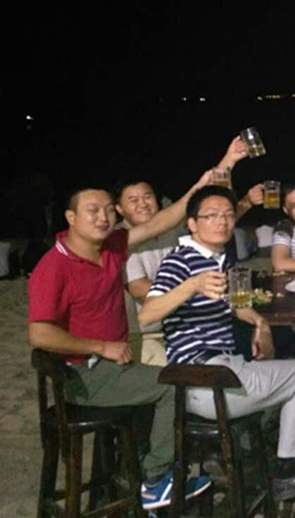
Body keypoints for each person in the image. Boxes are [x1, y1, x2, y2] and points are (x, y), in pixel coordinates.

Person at [28, 173, 215, 511]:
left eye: (107, 210)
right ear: (71, 217)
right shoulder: (53, 266)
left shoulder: (112, 246)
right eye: (92, 210)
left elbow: (161, 221)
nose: (102, 217)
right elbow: (39, 334)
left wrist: (203, 184)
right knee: (173, 385)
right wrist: (100, 346)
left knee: (159, 387)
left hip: (115, 364)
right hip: (84, 374)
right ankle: (156, 481)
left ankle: (135, 481)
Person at [138, 186, 295, 502]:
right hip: (206, 380)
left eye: (228, 215)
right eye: (211, 216)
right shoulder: (180, 261)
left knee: (279, 364)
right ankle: (288, 471)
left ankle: (253, 456)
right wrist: (191, 285)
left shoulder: (216, 261)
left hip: (212, 377)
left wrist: (260, 322)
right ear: (192, 224)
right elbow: (146, 315)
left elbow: (231, 305)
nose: (222, 222)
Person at [115, 136, 260, 365]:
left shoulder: (171, 229)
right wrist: (197, 287)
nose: (142, 203)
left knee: (257, 342)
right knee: (183, 375)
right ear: (119, 209)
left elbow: (214, 221)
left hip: (196, 323)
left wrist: (230, 161)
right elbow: (140, 290)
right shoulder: (121, 242)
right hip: (151, 334)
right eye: (133, 200)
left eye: (147, 196)